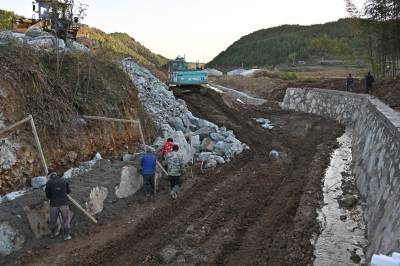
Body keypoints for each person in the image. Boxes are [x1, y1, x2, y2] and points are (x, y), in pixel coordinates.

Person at [45, 171, 71, 241]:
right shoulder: (64, 180)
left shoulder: (48, 183)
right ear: (56, 174)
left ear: (50, 176)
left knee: (53, 221)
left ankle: (53, 234)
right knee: (65, 220)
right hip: (64, 203)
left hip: (54, 204)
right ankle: (66, 235)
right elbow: (68, 191)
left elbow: (48, 196)